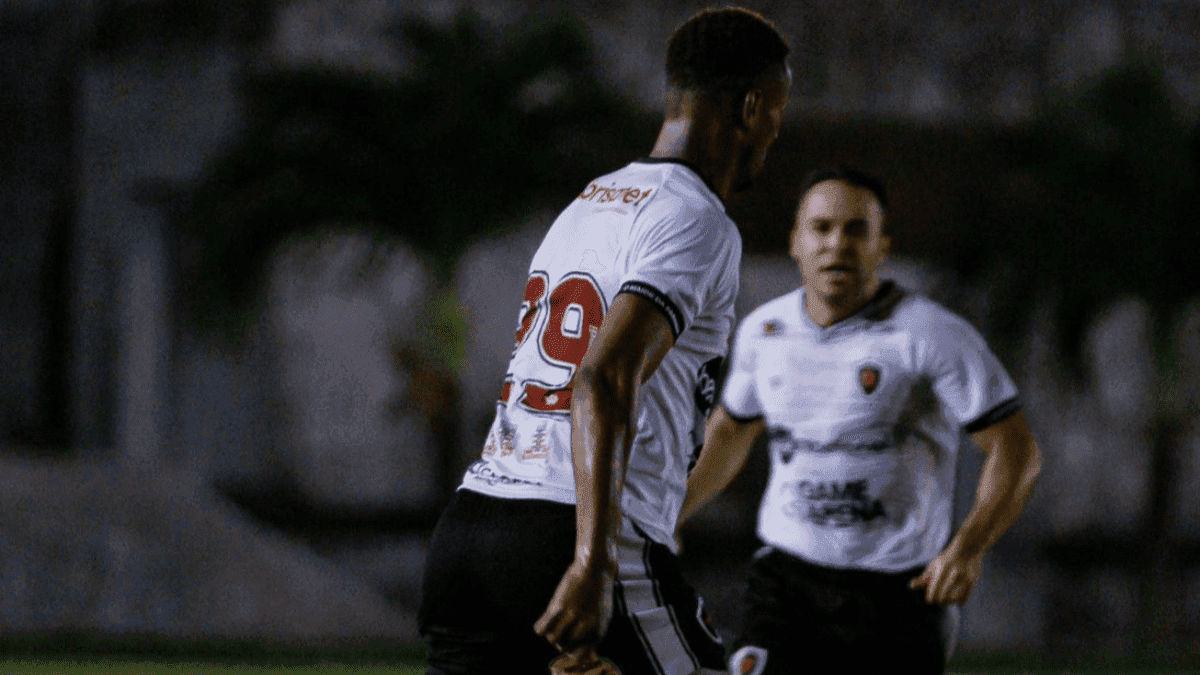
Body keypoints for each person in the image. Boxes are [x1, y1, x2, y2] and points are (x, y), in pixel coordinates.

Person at [418, 8, 792, 675]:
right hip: (571, 530)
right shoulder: (698, 217)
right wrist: (594, 563)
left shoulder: (590, 201)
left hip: (473, 529)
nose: (774, 135)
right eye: (777, 116)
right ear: (755, 106)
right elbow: (601, 376)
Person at [679, 167, 1042, 675]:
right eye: (822, 228)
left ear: (882, 246)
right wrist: (674, 513)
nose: (837, 244)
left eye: (857, 230)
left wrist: (967, 548)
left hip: (899, 592)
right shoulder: (764, 331)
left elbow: (1015, 450)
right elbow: (731, 430)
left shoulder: (931, 334)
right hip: (785, 583)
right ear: (795, 242)